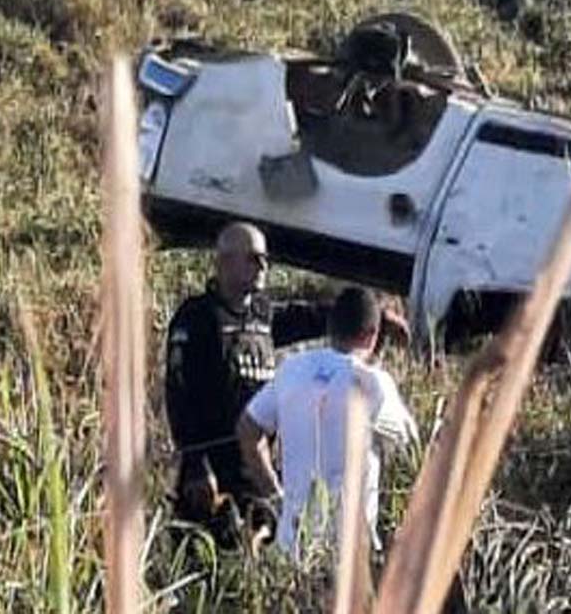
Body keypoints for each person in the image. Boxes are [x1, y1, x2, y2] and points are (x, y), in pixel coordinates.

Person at [165, 222, 408, 547]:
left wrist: (371, 317)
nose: (263, 265)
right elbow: (178, 393)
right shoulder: (196, 317)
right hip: (209, 476)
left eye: (265, 258)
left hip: (254, 470)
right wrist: (195, 464)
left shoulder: (262, 314)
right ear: (223, 262)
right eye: (253, 258)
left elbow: (310, 317)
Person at [236, 286, 418, 557]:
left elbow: (248, 429)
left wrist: (276, 495)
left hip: (293, 546)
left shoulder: (292, 369)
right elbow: (413, 447)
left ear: (331, 328)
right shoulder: (373, 383)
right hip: (348, 555)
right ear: (372, 336)